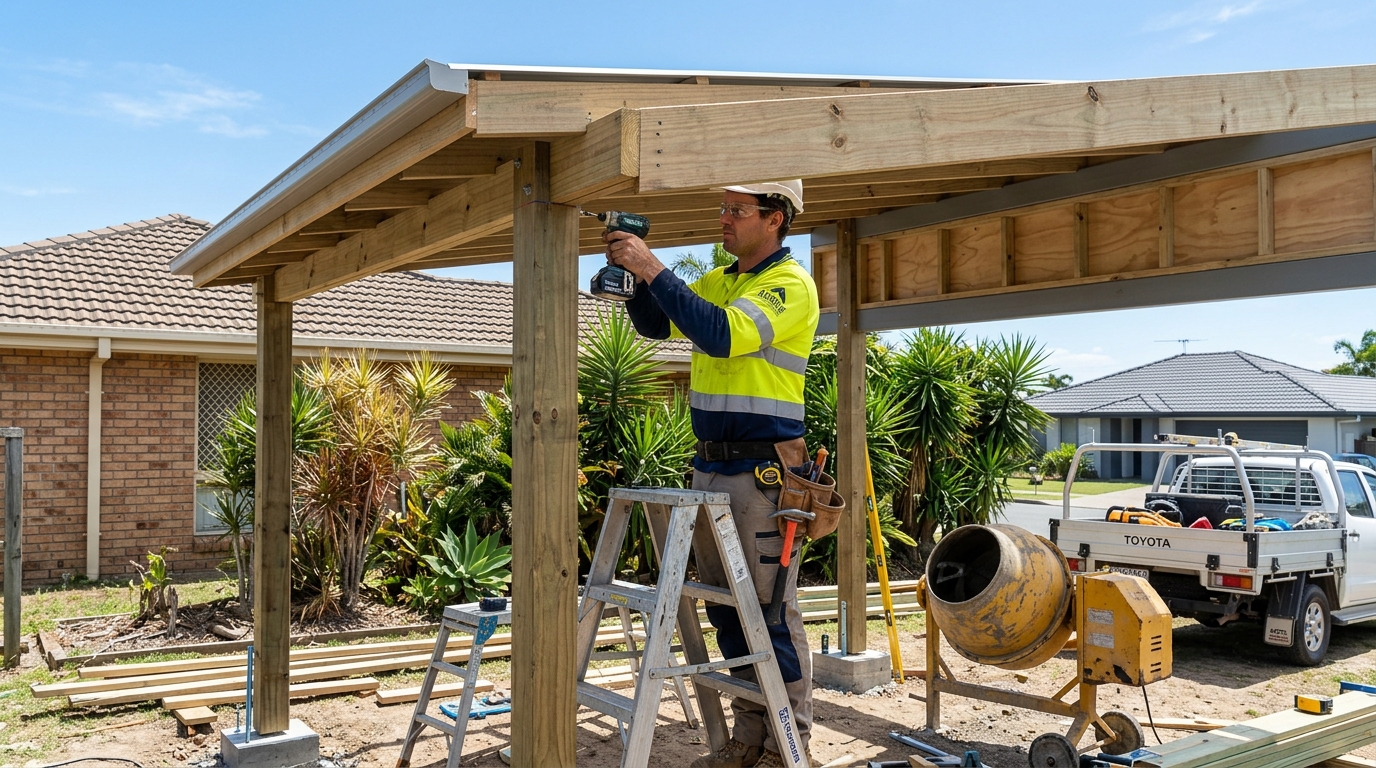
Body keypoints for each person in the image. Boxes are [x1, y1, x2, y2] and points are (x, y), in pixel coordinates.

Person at [604, 180, 819, 768]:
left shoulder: (790, 285)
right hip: (712, 466)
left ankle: (788, 746)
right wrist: (634, 278)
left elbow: (720, 335)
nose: (724, 219)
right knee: (727, 609)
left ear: (775, 220)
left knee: (770, 612)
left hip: (764, 473)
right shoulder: (723, 280)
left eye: (737, 211)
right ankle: (750, 738)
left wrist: (652, 265)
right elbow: (661, 325)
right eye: (723, 209)